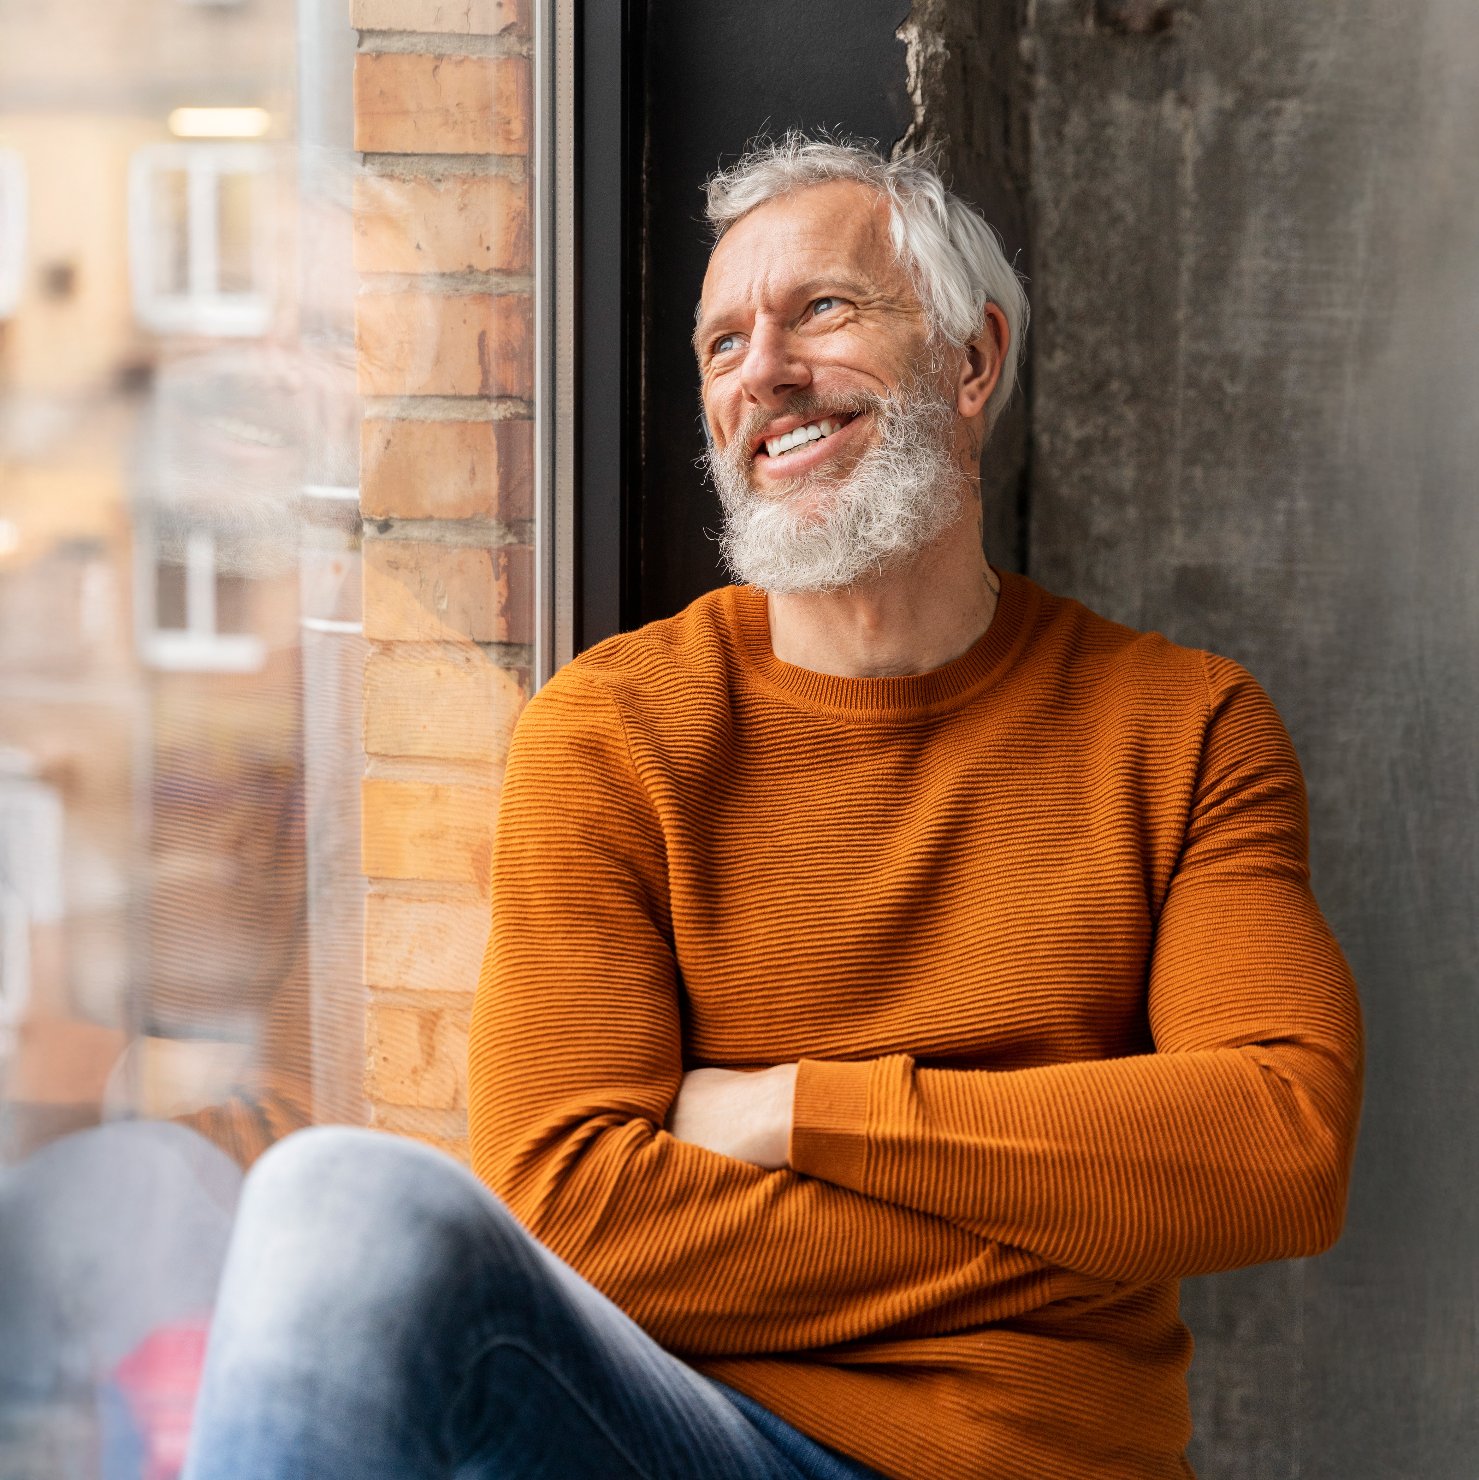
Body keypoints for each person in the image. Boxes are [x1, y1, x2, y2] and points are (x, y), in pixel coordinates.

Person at [180, 132, 1365, 1480]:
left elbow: (1280, 1146)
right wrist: (1075, 1224)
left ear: (971, 361)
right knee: (337, 1202)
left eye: (822, 310)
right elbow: (573, 1207)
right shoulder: (616, 729)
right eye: (721, 344)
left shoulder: (1185, 728)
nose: (765, 372)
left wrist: (791, 1111)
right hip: (701, 1447)